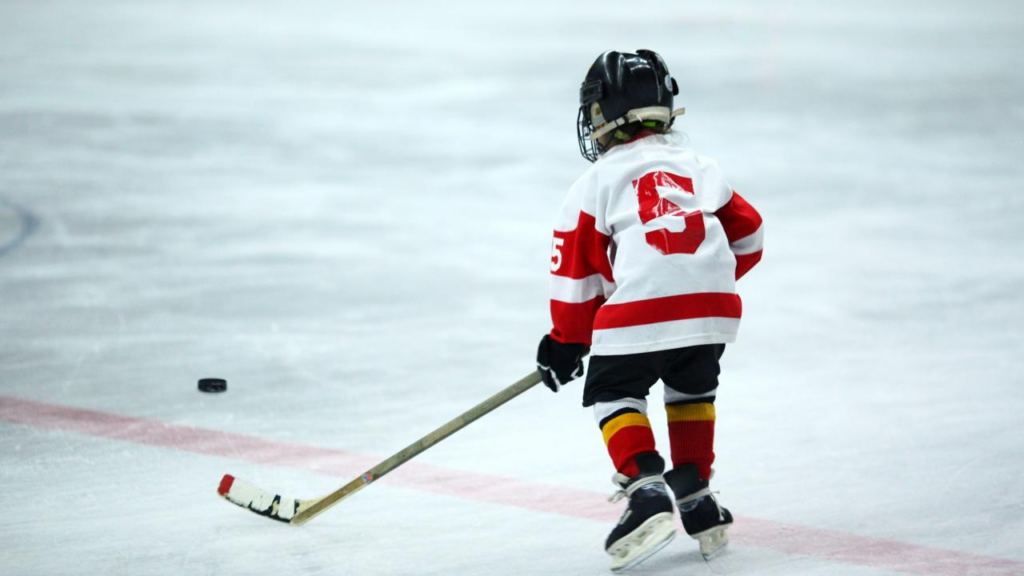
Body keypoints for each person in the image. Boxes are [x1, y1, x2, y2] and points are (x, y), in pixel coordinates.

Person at [535, 49, 764, 572]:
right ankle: (696, 493)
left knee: (615, 390)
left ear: (601, 115)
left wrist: (567, 341)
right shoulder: (700, 167)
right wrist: (705, 279)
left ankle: (645, 490)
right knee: (691, 387)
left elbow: (575, 273)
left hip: (640, 311)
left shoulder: (595, 183)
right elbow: (749, 234)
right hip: (710, 312)